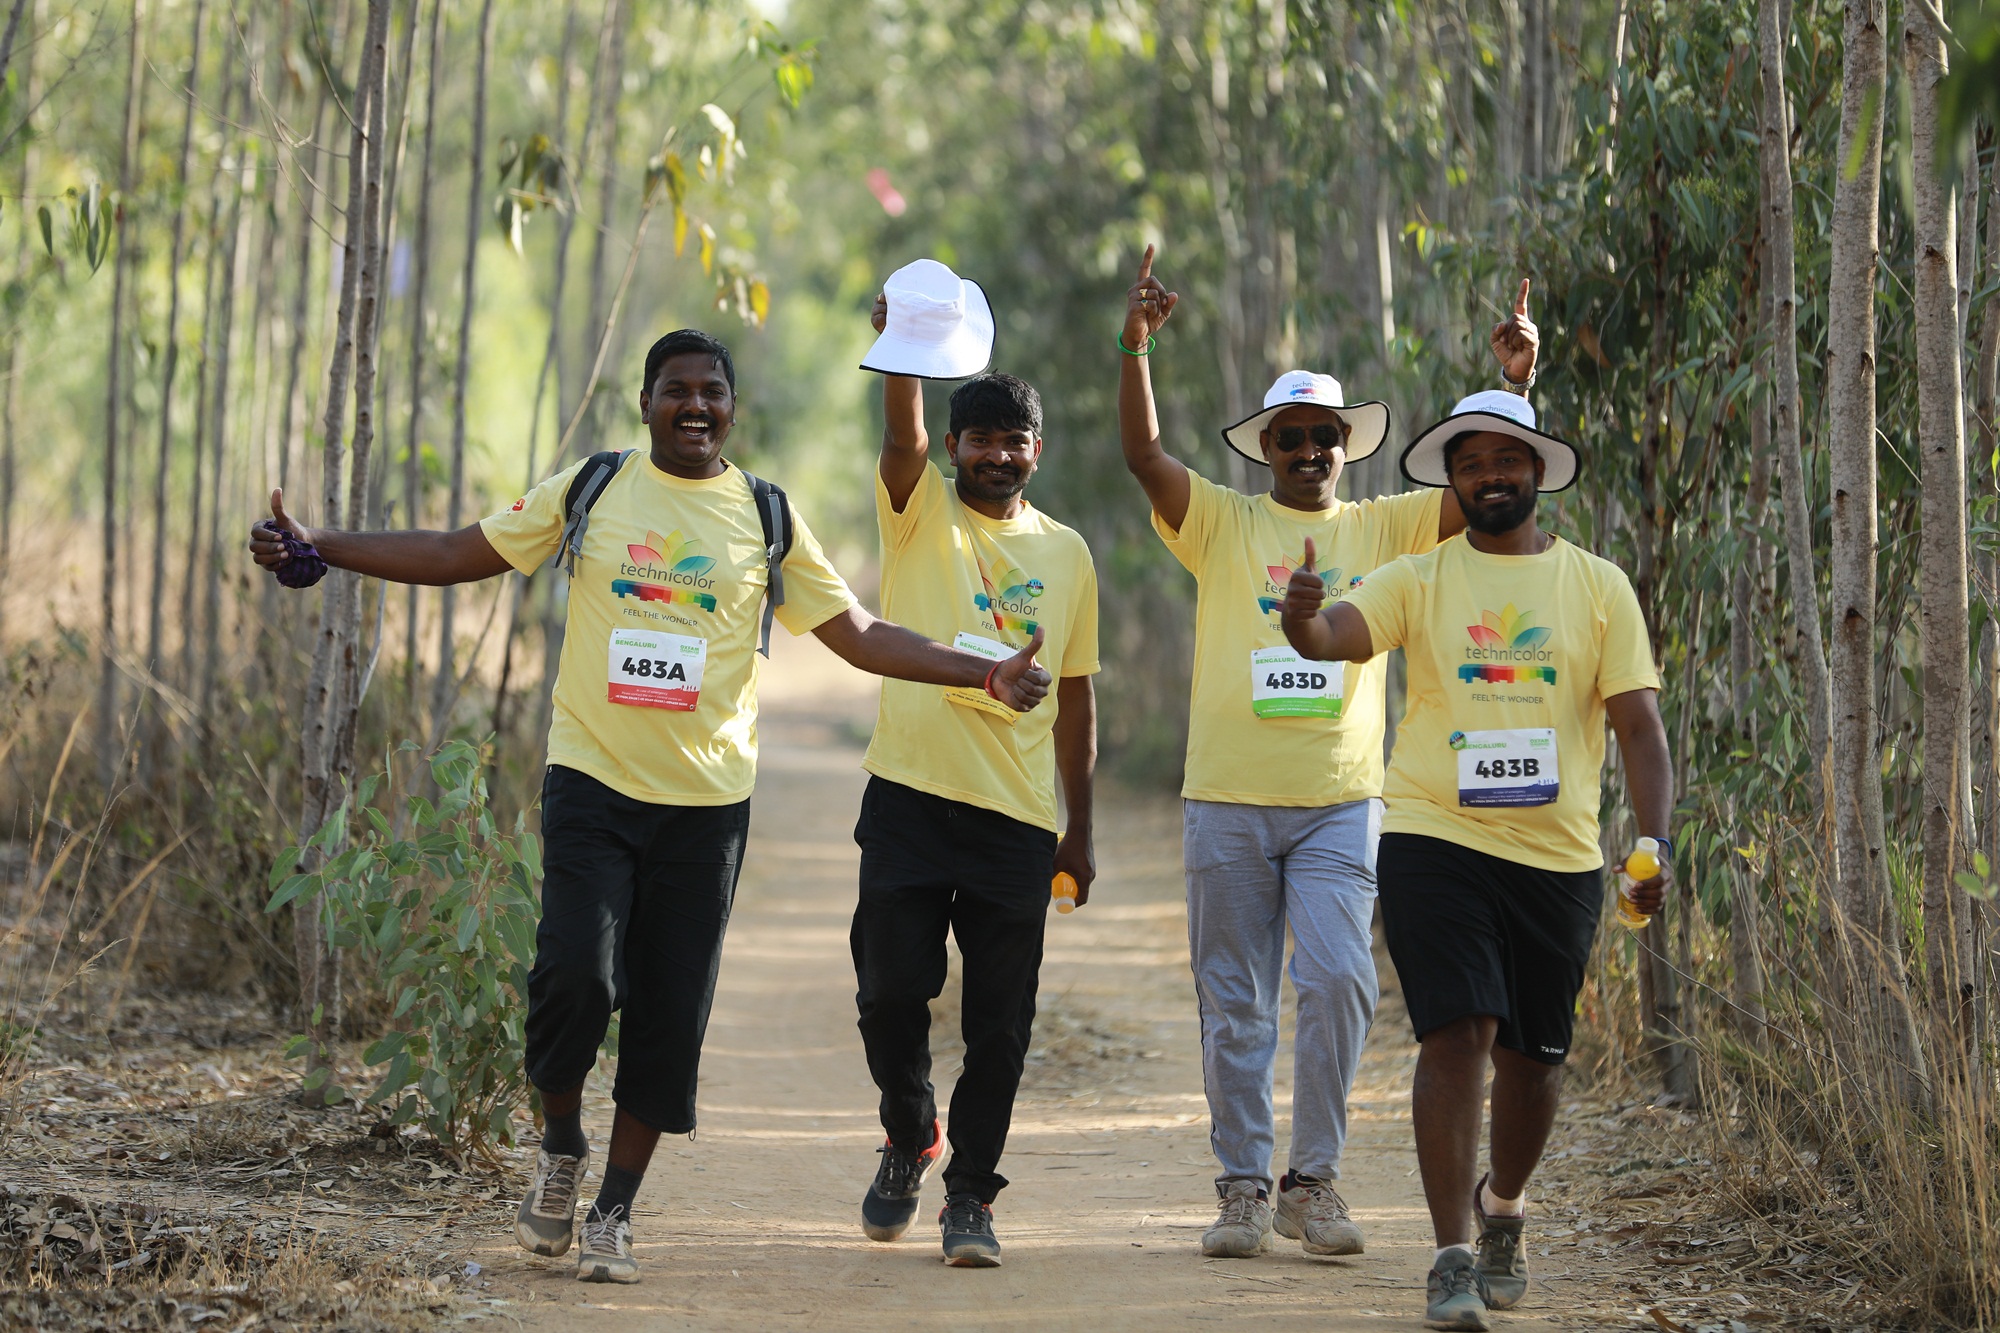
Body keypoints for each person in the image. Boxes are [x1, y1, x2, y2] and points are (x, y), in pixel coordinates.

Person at [248, 329, 1052, 1286]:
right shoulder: (593, 488)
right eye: (677, 391)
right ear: (647, 404)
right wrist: (325, 547)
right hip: (591, 781)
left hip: (705, 809)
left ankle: (614, 1213)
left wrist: (982, 673)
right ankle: (559, 1147)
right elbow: (463, 548)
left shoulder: (766, 516)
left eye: (712, 390)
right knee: (575, 978)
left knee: (670, 1015)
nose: (696, 406)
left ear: (733, 408)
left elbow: (862, 633)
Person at [1115, 245, 1538, 1260]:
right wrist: (1133, 347)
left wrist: (1518, 386)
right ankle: (1239, 1188)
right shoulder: (1219, 521)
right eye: (1291, 437)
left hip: (1342, 803)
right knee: (1234, 1000)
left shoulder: (1386, 525)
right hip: (1225, 797)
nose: (1308, 450)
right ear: (1265, 446)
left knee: (1342, 979)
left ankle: (1313, 1181)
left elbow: (1490, 483)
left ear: (1347, 446)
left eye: (1324, 436)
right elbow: (1143, 458)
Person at [1279, 390, 1673, 1331]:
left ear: (1537, 471)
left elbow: (1639, 728)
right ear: (1452, 483)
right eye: (1470, 464)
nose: (1489, 475)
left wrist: (1651, 840)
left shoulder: (1598, 585)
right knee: (1457, 1033)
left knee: (1536, 1060)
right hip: (1434, 835)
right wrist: (1301, 620)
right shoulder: (1419, 576)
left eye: (1506, 459)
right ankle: (1452, 1252)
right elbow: (1334, 636)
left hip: (1560, 857)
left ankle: (1504, 1210)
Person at [850, 291, 1099, 1268]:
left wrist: (1077, 828)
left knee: (999, 1022)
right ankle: (911, 1128)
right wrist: (903, 343)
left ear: (1036, 451)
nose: (998, 455)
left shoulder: (1067, 553)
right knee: (886, 991)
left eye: (1016, 441)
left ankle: (969, 1195)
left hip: (1014, 819)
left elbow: (1076, 697)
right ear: (953, 447)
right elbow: (899, 432)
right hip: (909, 796)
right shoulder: (915, 516)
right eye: (980, 440)